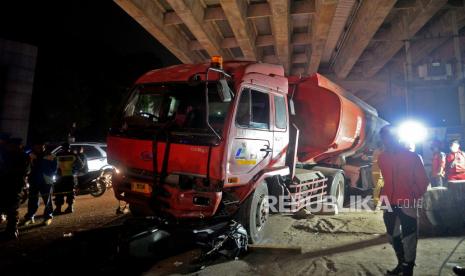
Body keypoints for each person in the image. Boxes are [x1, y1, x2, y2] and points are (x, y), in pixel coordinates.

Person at [377, 125, 429, 276]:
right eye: (384, 138)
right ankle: (401, 262)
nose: (386, 141)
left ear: (396, 137)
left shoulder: (412, 157)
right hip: (389, 201)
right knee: (392, 236)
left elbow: (423, 182)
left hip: (407, 201)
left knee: (409, 237)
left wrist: (413, 196)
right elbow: (385, 179)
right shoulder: (383, 157)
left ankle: (408, 268)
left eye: (388, 137)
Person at [0, 138, 29, 239]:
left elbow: (25, 170)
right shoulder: (6, 154)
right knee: (9, 206)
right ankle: (11, 229)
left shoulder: (22, 156)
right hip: (7, 184)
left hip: (14, 185)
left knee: (12, 208)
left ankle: (12, 230)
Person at [22, 142, 57, 226]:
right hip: (34, 180)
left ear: (44, 146)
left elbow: (54, 168)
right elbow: (27, 167)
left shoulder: (51, 155)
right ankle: (30, 217)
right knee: (32, 199)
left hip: (46, 180)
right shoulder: (30, 155)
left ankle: (48, 217)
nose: (39, 147)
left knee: (47, 200)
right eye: (37, 145)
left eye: (41, 145)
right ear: (34, 146)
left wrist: (49, 176)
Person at [54, 143, 78, 215]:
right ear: (69, 148)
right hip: (69, 176)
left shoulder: (58, 155)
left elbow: (54, 164)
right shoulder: (73, 155)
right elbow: (80, 164)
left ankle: (58, 208)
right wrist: (73, 171)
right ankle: (70, 207)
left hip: (60, 177)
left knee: (59, 192)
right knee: (70, 192)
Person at [371, 142, 384, 208]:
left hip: (376, 171)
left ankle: (377, 202)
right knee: (378, 188)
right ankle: (376, 203)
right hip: (378, 172)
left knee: (378, 187)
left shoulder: (376, 151)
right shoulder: (381, 152)